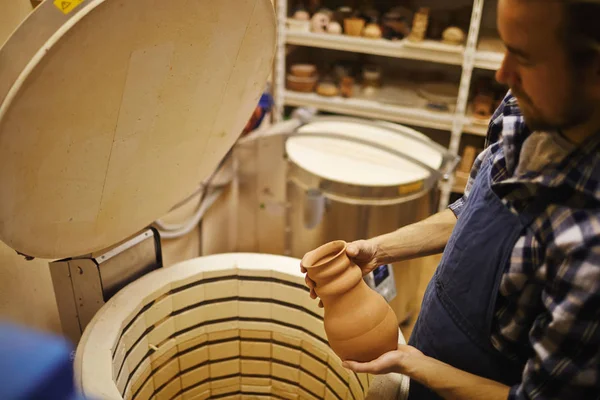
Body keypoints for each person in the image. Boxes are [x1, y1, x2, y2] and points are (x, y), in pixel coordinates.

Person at [301, 0, 600, 398]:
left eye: (524, 58)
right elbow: (472, 210)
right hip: (433, 345)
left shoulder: (589, 247)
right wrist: (378, 250)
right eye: (505, 48)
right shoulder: (522, 108)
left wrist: (411, 363)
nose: (502, 73)